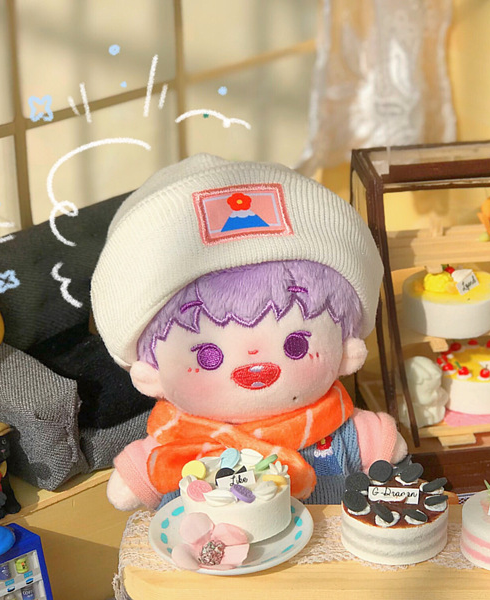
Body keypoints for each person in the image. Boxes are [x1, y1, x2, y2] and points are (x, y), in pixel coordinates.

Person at [91, 155, 405, 510]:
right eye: (209, 356)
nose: (254, 361)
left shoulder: (341, 428)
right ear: (150, 375)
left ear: (347, 352)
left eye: (295, 345)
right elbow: (127, 490)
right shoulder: (173, 445)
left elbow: (390, 458)